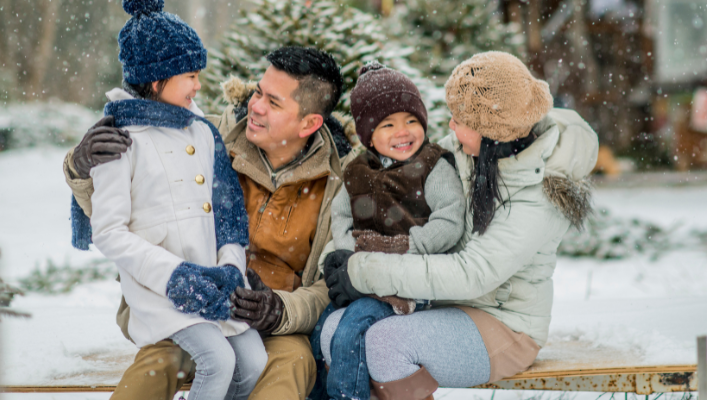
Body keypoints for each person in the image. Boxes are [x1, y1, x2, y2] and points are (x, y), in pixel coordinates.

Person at [64, 43, 356, 400]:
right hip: (185, 306)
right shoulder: (203, 137)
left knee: (291, 362)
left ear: (309, 123)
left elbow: (330, 286)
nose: (256, 106)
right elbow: (125, 218)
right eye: (258, 93)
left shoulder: (337, 186)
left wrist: (280, 310)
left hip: (274, 325)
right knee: (163, 360)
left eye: (274, 102)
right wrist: (81, 168)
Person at [322, 51, 598, 399]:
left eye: (459, 118)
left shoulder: (538, 194)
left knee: (385, 343)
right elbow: (384, 204)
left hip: (505, 323)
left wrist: (363, 272)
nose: (450, 125)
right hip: (442, 304)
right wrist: (341, 255)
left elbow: (473, 273)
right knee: (334, 330)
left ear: (491, 131)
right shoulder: (469, 154)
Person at [75, 0, 267, 400]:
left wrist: (231, 268)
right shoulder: (121, 139)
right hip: (160, 289)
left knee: (253, 361)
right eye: (191, 77)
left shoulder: (201, 130)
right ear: (157, 78)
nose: (199, 86)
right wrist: (176, 277)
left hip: (216, 282)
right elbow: (108, 231)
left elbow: (229, 213)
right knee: (218, 360)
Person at [316, 63, 466, 400]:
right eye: (388, 124)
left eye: (412, 121)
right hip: (363, 279)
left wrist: (405, 245)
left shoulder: (432, 165)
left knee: (351, 330)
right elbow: (340, 218)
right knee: (319, 333)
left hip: (410, 281)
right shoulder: (357, 170)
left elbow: (450, 219)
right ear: (368, 134)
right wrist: (354, 256)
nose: (403, 131)